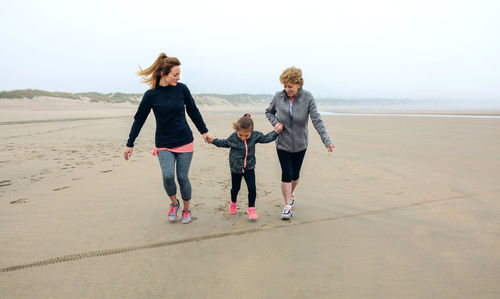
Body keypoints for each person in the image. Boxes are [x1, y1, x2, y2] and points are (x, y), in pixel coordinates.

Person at [123, 53, 212, 224]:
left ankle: (187, 209)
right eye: (175, 74)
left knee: (182, 177)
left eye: (179, 74)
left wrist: (204, 131)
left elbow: (193, 110)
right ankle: (174, 204)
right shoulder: (151, 95)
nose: (179, 78)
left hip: (185, 140)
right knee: (168, 176)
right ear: (163, 74)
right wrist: (130, 143)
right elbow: (139, 119)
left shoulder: (182, 89)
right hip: (163, 142)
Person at [265, 66, 334, 220]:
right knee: (286, 174)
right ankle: (287, 205)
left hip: (301, 144)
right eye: (284, 86)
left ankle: (291, 194)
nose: (286, 89)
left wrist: (326, 140)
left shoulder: (308, 98)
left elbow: (317, 120)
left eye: (290, 86)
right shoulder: (278, 97)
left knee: (295, 176)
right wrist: (275, 123)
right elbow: (268, 112)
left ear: (299, 84)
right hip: (283, 143)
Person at [210, 114, 282, 221]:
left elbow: (266, 138)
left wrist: (276, 132)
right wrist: (213, 140)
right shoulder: (233, 138)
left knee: (252, 188)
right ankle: (233, 203)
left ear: (251, 131)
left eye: (246, 136)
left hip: (249, 167)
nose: (243, 137)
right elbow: (224, 143)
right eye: (241, 135)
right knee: (235, 188)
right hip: (236, 168)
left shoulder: (255, 136)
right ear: (237, 131)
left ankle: (251, 208)